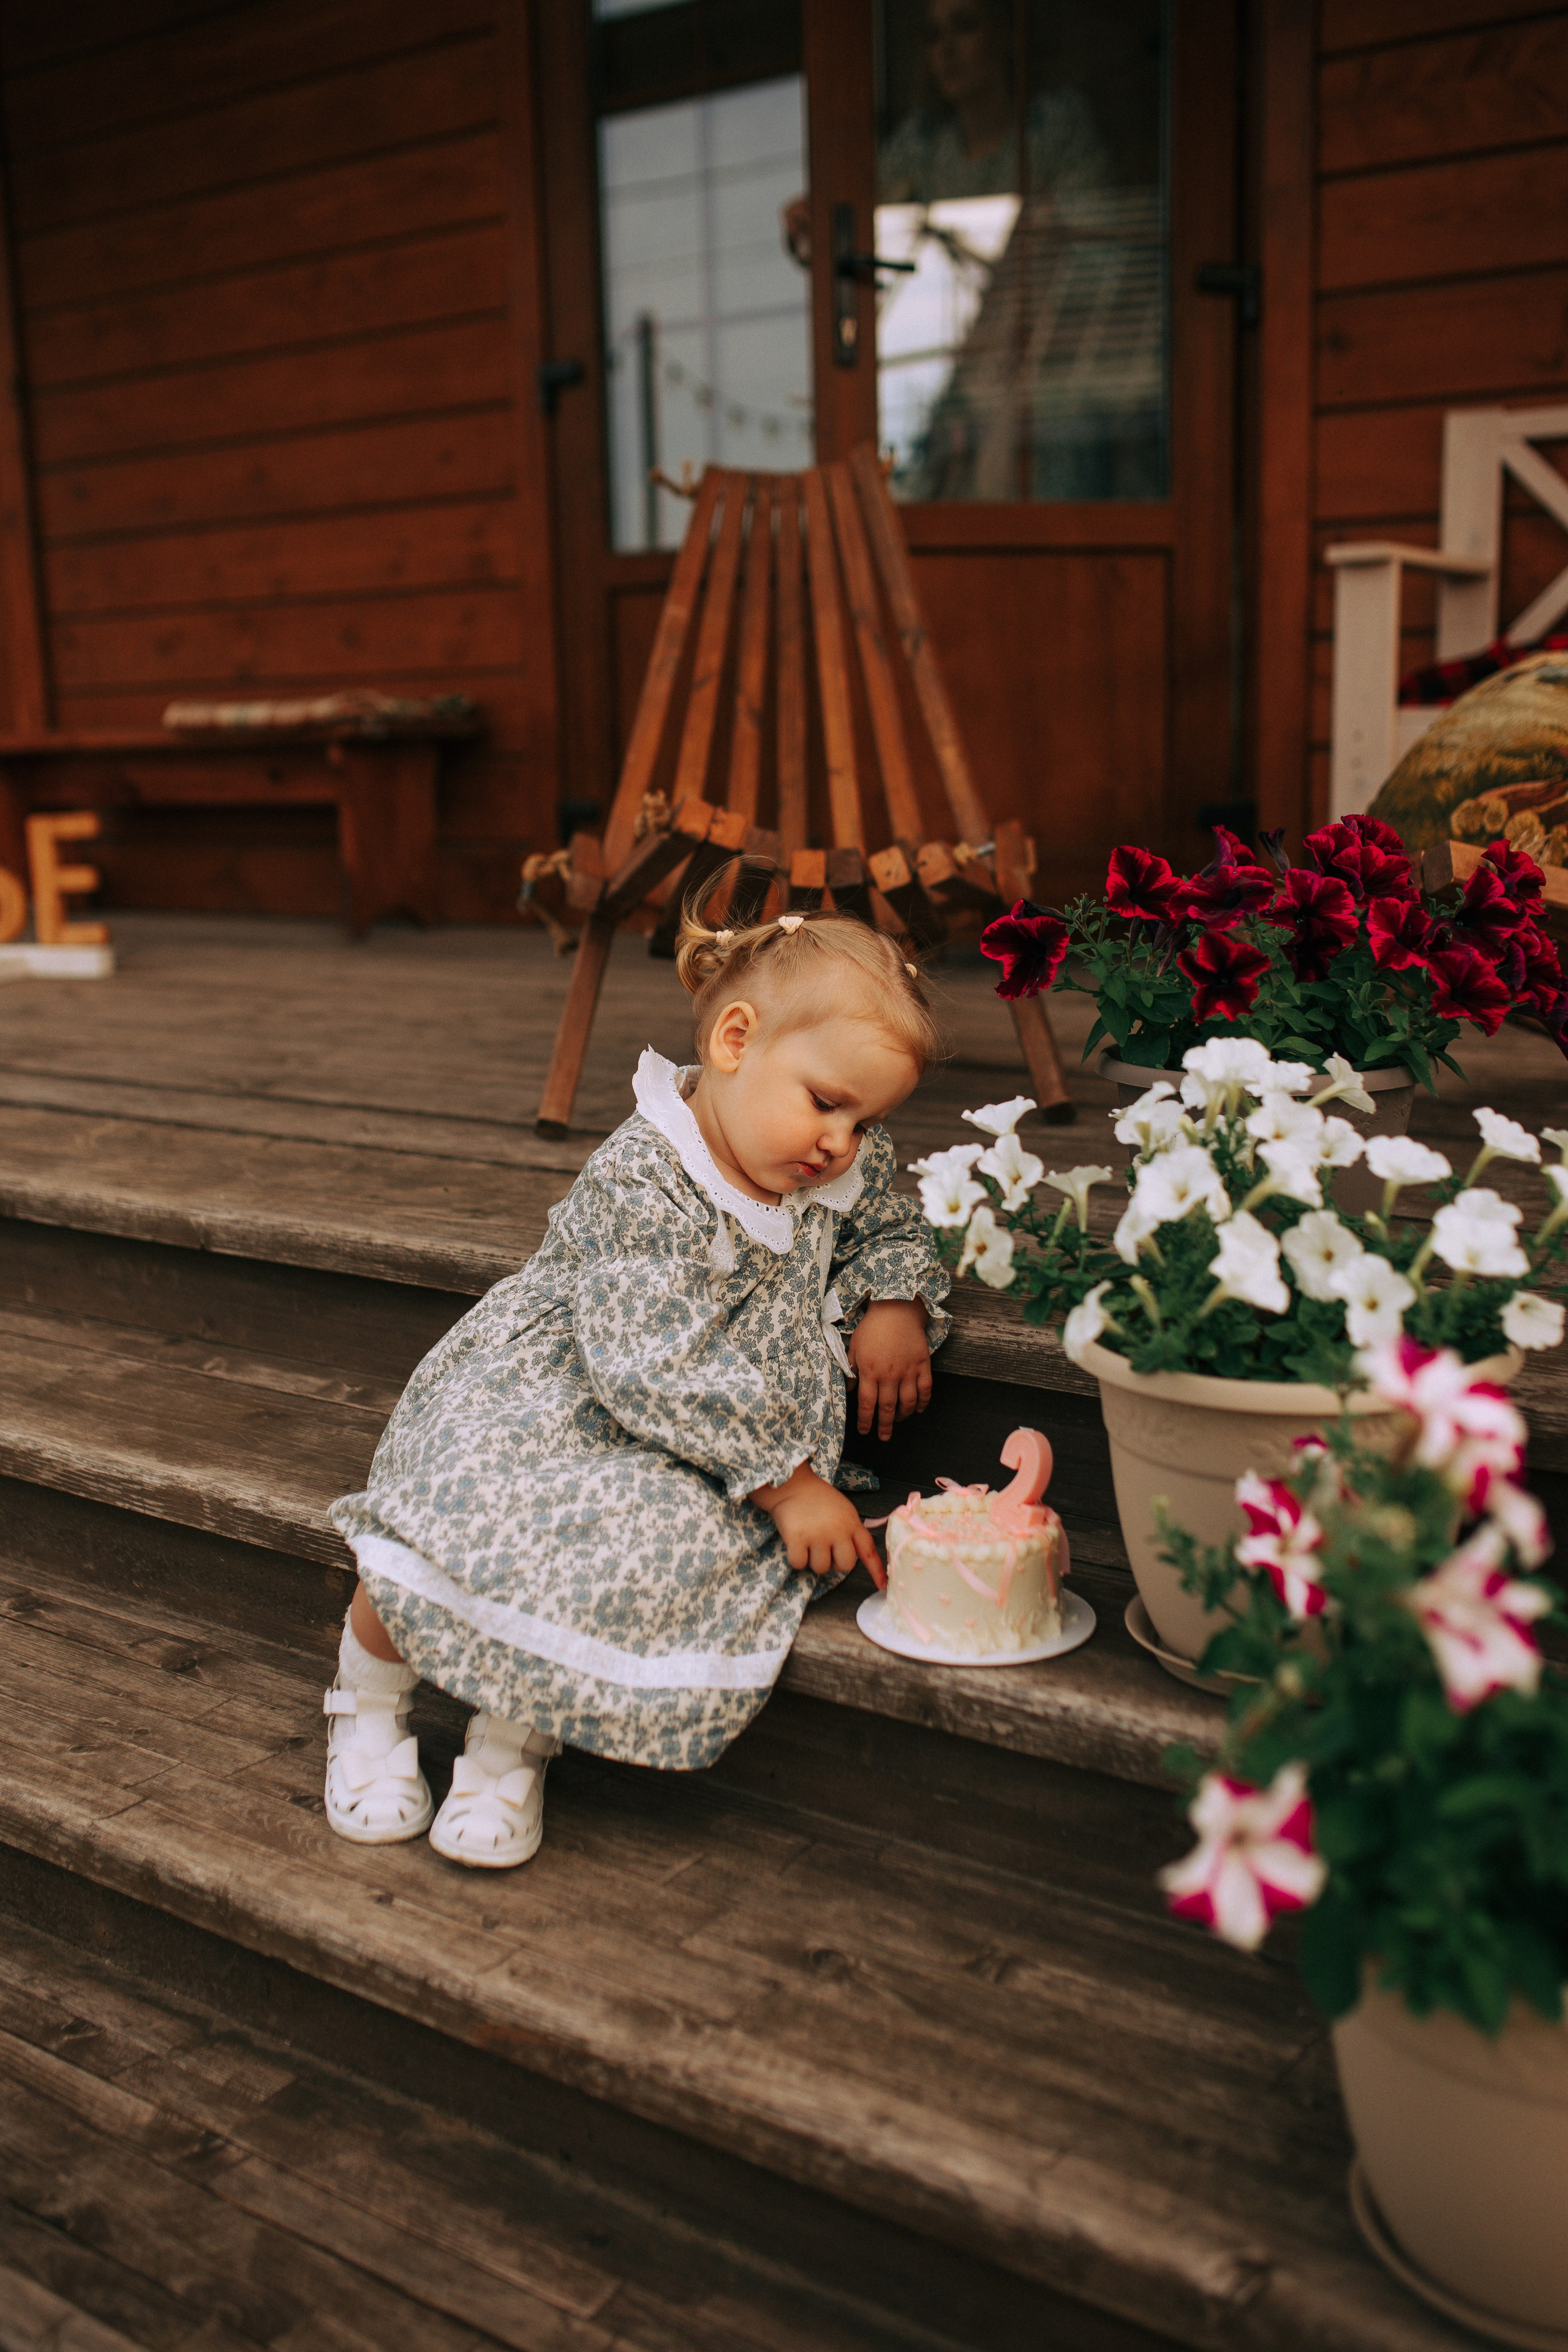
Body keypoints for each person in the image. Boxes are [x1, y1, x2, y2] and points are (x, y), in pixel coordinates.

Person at [323, 911, 950, 1870]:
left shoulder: (840, 1164)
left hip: (700, 1441)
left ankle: (511, 1741)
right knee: (474, 1502)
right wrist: (783, 1481)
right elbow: (650, 1357)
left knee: (648, 1537)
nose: (840, 1143)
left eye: (865, 1121)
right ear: (735, 1041)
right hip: (571, 1393)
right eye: (826, 1103)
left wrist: (893, 1299)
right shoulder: (648, 1173)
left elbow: (888, 1224)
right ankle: (368, 1704)